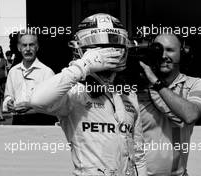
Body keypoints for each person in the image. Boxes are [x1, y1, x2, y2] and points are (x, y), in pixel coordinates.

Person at [30, 13, 146, 176]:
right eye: (98, 47)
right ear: (83, 50)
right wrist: (83, 65)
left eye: (112, 46)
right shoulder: (74, 92)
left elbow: (138, 156)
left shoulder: (128, 93)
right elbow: (37, 100)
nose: (107, 52)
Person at [138, 33, 201, 175]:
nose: (163, 55)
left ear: (182, 53)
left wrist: (155, 82)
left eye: (170, 50)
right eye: (158, 50)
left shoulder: (194, 84)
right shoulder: (137, 88)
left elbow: (190, 115)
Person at [3, 29, 57, 125]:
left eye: (31, 45)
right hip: (17, 122)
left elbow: (53, 104)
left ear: (37, 47)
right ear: (19, 48)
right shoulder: (13, 72)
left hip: (41, 122)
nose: (28, 49)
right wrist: (8, 102)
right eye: (24, 45)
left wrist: (32, 107)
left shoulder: (47, 73)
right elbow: (8, 95)